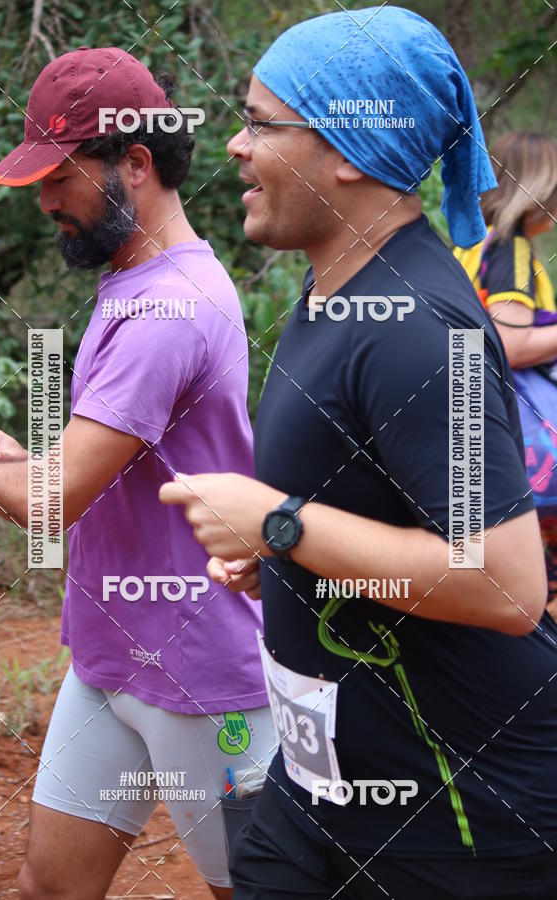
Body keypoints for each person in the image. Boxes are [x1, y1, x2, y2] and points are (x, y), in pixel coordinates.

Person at [160, 8, 557, 899]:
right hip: (327, 790)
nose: (233, 145)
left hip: (456, 816)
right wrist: (296, 559)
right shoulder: (339, 290)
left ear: (348, 149)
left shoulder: (418, 324)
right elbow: (385, 509)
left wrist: (281, 524)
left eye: (262, 122)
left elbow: (504, 581)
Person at [0, 47, 275, 900]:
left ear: (135, 163)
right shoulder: (135, 284)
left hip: (201, 682)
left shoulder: (167, 312)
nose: (45, 199)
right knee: (46, 889)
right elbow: (106, 466)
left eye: (59, 175)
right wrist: (14, 462)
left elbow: (56, 503)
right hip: (110, 663)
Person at [454, 132, 557, 617]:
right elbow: (510, 343)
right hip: (525, 448)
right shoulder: (512, 251)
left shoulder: (469, 249)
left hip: (475, 433)